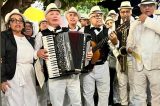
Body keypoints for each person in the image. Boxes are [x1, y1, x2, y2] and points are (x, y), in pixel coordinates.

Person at [34, 3, 93, 106]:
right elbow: (34, 54)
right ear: (46, 17)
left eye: (57, 13)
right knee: (57, 103)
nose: (55, 15)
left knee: (76, 103)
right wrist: (38, 53)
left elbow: (83, 47)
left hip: (73, 76)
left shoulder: (69, 31)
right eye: (51, 14)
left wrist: (89, 53)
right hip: (55, 77)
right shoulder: (41, 35)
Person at [80, 5, 118, 106]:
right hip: (87, 67)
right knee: (88, 94)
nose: (99, 17)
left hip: (103, 66)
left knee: (104, 93)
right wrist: (85, 55)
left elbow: (115, 45)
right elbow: (78, 48)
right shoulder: (83, 30)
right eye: (95, 16)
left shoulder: (108, 31)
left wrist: (115, 40)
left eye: (100, 15)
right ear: (90, 18)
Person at [1, 9, 38, 106]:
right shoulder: (4, 36)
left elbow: (31, 55)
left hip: (29, 75)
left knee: (31, 101)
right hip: (12, 75)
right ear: (9, 24)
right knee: (15, 102)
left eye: (20, 20)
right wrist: (2, 80)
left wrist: (37, 53)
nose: (18, 23)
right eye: (13, 20)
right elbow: (1, 58)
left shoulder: (29, 38)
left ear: (23, 24)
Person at [127, 0, 160, 106]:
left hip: (155, 64)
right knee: (138, 96)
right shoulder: (134, 23)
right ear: (140, 8)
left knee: (157, 95)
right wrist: (129, 48)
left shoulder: (158, 20)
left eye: (150, 5)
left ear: (154, 7)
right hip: (138, 64)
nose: (147, 8)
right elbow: (129, 42)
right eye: (144, 6)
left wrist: (147, 20)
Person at [113, 1, 135, 106]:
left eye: (127, 11)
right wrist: (117, 54)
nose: (125, 14)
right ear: (120, 12)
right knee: (122, 83)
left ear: (131, 12)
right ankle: (124, 103)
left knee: (133, 83)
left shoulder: (136, 22)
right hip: (119, 57)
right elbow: (110, 43)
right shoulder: (115, 23)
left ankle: (132, 103)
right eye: (123, 12)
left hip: (133, 58)